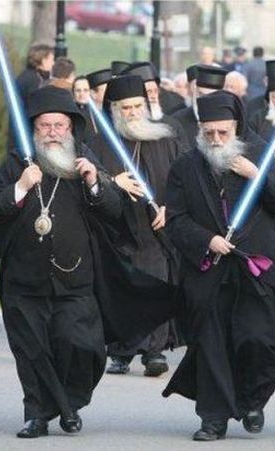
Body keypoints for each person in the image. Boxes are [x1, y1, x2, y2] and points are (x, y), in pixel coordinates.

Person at [162, 90, 275, 441]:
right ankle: (213, 418)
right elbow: (176, 220)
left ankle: (252, 401)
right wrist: (207, 239)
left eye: (223, 132)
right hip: (210, 269)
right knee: (212, 345)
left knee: (258, 340)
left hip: (256, 269)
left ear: (236, 127)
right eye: (209, 133)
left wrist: (256, 175)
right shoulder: (186, 166)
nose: (216, 140)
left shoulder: (258, 153)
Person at [0, 86, 121, 438]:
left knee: (81, 345)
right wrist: (20, 188)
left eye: (59, 125)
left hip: (75, 279)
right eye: (45, 126)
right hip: (24, 280)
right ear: (34, 129)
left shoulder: (83, 162)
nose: (53, 132)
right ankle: (37, 416)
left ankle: (68, 403)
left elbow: (115, 211)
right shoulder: (14, 166)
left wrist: (94, 182)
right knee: (32, 351)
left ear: (71, 128)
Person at [89, 75, 183, 377]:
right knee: (121, 290)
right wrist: (111, 181)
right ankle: (121, 352)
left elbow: (184, 181)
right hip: (118, 233)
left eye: (136, 106)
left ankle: (155, 352)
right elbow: (86, 182)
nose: (132, 113)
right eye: (125, 108)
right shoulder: (99, 144)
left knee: (157, 286)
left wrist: (170, 208)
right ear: (114, 109)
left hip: (156, 231)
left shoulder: (165, 138)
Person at [121, 61, 187, 143]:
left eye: (155, 91)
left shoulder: (172, 125)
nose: (153, 96)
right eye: (148, 92)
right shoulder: (124, 127)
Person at [172, 65, 228, 149]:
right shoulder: (176, 122)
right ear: (194, 92)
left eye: (211, 97)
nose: (205, 101)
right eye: (201, 95)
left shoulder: (232, 122)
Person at [71, 76, 97, 142]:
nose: (82, 94)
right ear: (73, 93)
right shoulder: (71, 113)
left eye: (85, 90)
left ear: (90, 92)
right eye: (78, 91)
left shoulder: (96, 112)